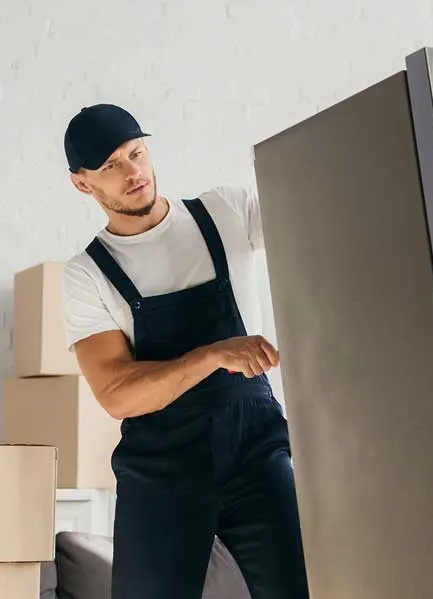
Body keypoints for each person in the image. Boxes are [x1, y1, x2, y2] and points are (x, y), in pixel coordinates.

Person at [60, 104, 309, 598]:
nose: (133, 172)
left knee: (309, 586)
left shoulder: (226, 212)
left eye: (137, 153)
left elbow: (319, 225)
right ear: (83, 184)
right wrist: (211, 355)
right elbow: (117, 394)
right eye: (111, 165)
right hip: (162, 468)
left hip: (256, 449)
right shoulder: (87, 275)